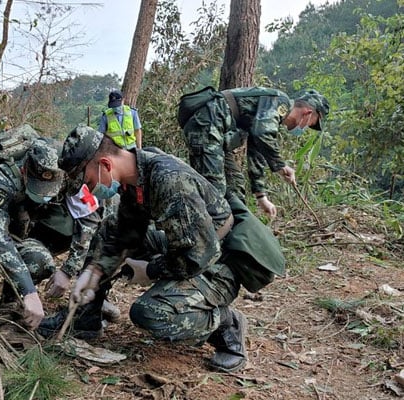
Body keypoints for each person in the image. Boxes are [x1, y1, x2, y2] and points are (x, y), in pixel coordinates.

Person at [39, 125, 252, 372]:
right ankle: (85, 318)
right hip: (187, 243)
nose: (90, 189)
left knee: (150, 313)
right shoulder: (135, 174)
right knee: (109, 228)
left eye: (88, 181)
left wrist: (150, 269)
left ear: (105, 165)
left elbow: (198, 256)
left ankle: (228, 325)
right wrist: (95, 271)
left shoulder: (169, 181)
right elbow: (126, 232)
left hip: (218, 259)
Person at [0, 138, 102, 330]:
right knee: (38, 260)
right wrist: (29, 291)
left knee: (103, 228)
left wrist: (68, 270)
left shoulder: (68, 173)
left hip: (43, 225)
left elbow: (89, 218)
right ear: (25, 171)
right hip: (15, 231)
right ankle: (12, 297)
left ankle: (91, 306)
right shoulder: (5, 179)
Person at [180, 87, 329, 218]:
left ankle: (237, 234)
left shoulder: (270, 117)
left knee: (236, 185)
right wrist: (281, 165)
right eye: (312, 123)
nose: (306, 128)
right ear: (308, 113)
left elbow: (256, 151)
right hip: (206, 127)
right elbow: (262, 133)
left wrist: (261, 197)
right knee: (214, 192)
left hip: (215, 134)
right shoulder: (280, 101)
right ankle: (200, 238)